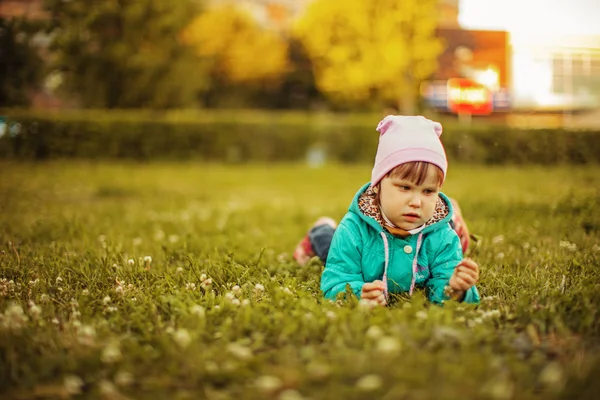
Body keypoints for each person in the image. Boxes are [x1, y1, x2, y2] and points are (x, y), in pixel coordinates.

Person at [293, 115, 480, 305]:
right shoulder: (352, 230)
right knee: (328, 249)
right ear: (377, 185)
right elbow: (338, 280)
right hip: (355, 242)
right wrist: (359, 294)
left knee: (454, 244)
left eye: (428, 191)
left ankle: (454, 220)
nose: (416, 202)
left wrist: (455, 288)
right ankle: (320, 229)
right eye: (405, 188)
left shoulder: (442, 236)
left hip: (441, 234)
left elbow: (445, 280)